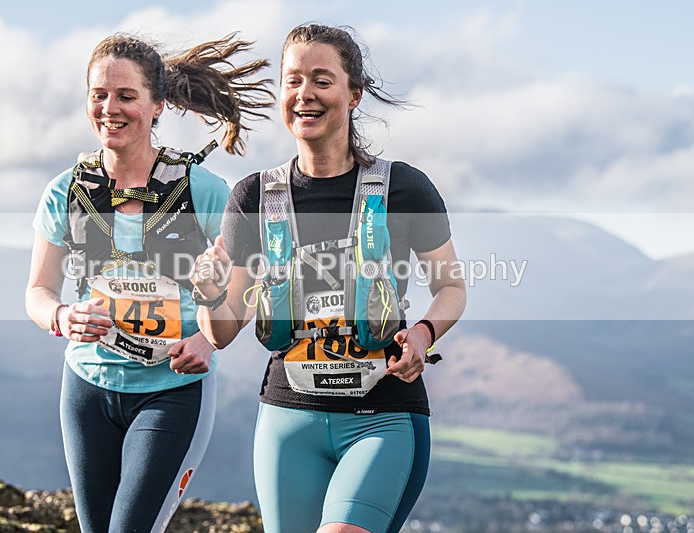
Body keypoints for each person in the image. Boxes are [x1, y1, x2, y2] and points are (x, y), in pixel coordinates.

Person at [192, 24, 466, 533]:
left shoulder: (404, 188)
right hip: (287, 422)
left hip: (383, 418)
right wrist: (209, 292)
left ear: (353, 94)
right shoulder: (253, 197)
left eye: (322, 80)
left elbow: (451, 287)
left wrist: (423, 336)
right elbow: (221, 331)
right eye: (293, 81)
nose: (305, 95)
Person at [25, 32, 273, 532]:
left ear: (157, 105)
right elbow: (38, 291)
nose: (109, 109)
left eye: (126, 96)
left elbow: (257, 283)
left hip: (172, 389)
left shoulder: (203, 191)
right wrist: (60, 315)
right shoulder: (66, 191)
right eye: (98, 95)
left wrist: (207, 338)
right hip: (86, 387)